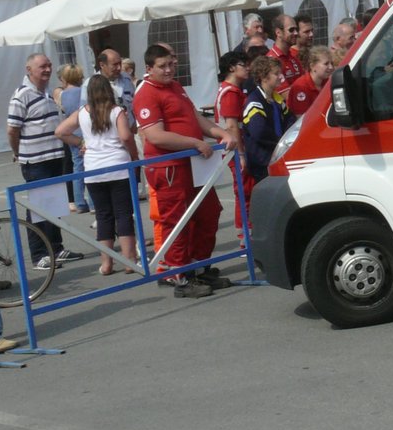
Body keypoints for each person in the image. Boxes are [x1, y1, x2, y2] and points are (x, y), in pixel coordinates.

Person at [132, 44, 236, 298]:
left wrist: (218, 132)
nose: (169, 70)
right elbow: (155, 135)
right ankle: (180, 275)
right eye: (162, 66)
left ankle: (200, 266)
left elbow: (193, 118)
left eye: (171, 64)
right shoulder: (146, 93)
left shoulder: (175, 87)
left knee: (209, 212)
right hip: (169, 167)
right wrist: (195, 143)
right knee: (176, 221)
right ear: (149, 68)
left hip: (194, 164)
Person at [56, 75, 139, 276]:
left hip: (94, 169)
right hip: (118, 166)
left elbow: (60, 131)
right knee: (123, 214)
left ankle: (107, 263)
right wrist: (134, 156)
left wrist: (81, 143)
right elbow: (126, 136)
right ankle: (129, 261)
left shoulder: (82, 113)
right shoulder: (117, 111)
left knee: (104, 216)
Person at [6, 53, 81, 268]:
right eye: (42, 66)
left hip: (54, 157)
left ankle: (56, 249)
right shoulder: (22, 95)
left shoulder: (47, 92)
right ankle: (39, 255)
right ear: (29, 70)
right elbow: (12, 129)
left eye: (49, 65)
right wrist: (18, 153)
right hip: (36, 161)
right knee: (38, 208)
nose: (48, 69)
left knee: (55, 205)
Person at [215, 51, 252, 236]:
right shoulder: (230, 93)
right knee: (244, 189)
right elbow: (231, 126)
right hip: (234, 149)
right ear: (231, 68)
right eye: (243, 64)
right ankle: (244, 233)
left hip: (236, 147)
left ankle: (245, 231)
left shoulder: (233, 90)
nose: (248, 68)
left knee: (246, 188)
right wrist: (241, 153)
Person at [240, 55, 286, 192]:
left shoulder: (276, 98)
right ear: (264, 77)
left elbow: (290, 120)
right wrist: (282, 144)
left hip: (275, 156)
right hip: (262, 161)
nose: (281, 76)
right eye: (276, 73)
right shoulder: (254, 102)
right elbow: (259, 132)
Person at [55, 63, 89, 212]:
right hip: (83, 132)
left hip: (70, 133)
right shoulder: (81, 92)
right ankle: (92, 203)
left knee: (77, 167)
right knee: (88, 168)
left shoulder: (62, 94)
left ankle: (79, 201)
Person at [284, 47, 333, 121]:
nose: (331, 67)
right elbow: (301, 119)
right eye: (326, 64)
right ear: (312, 66)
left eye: (331, 63)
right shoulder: (301, 87)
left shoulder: (327, 83)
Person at [268, 15, 304, 93]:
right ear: (278, 33)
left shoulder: (293, 57)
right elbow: (286, 95)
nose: (296, 33)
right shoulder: (272, 60)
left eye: (296, 29)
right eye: (291, 30)